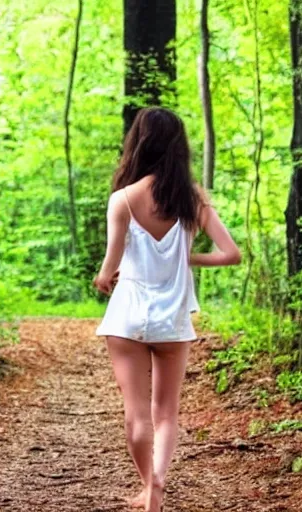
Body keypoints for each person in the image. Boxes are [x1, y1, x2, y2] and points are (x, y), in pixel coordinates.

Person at [93, 107, 241, 512]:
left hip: (128, 319)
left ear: (138, 143)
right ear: (179, 147)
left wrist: (105, 277)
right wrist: (184, 260)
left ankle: (149, 489)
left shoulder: (122, 199)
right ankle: (158, 482)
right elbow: (231, 254)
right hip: (173, 320)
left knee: (136, 415)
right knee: (166, 415)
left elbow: (108, 272)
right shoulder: (193, 200)